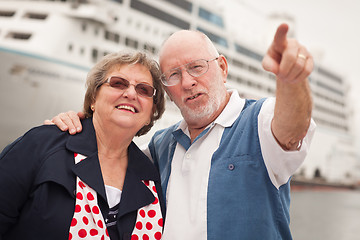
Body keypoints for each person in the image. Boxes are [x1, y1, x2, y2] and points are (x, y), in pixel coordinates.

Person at [47, 23, 316, 240]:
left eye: (197, 67)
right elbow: (109, 155)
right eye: (173, 75)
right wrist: (79, 125)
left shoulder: (257, 122)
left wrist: (291, 81)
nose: (187, 82)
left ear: (222, 68)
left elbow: (291, 128)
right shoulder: (161, 146)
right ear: (167, 91)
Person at [0, 51, 166, 240]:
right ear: (94, 98)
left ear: (151, 112)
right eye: (118, 83)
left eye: (143, 90)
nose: (130, 93)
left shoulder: (152, 178)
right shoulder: (42, 146)